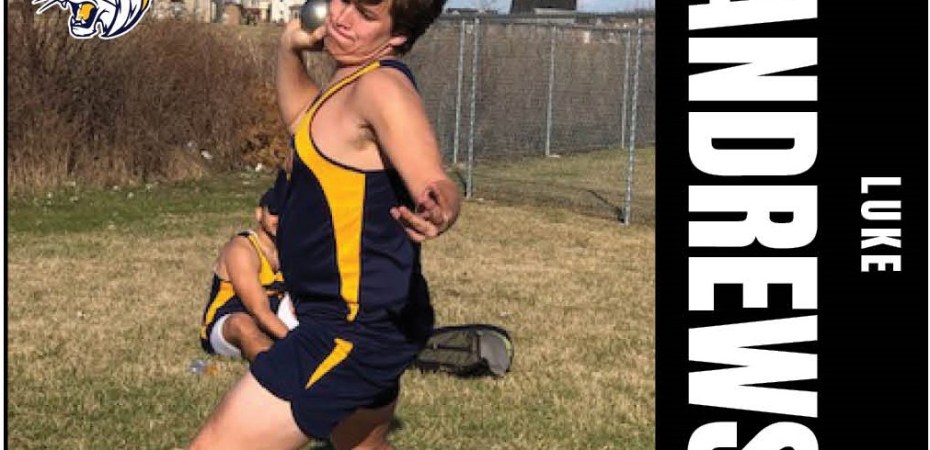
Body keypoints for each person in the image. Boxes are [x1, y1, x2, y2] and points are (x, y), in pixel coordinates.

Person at [188, 0, 459, 449]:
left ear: (396, 36)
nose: (341, 17)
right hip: (370, 319)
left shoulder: (382, 87)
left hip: (351, 329)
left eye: (365, 14)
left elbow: (432, 178)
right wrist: (289, 50)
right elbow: (304, 120)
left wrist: (441, 204)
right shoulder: (349, 79)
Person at [198, 185, 299, 362]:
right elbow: (259, 312)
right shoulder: (242, 249)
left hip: (275, 319)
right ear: (259, 214)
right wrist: (298, 343)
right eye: (274, 212)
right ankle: (280, 368)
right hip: (230, 322)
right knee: (242, 323)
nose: (281, 218)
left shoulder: (294, 249)